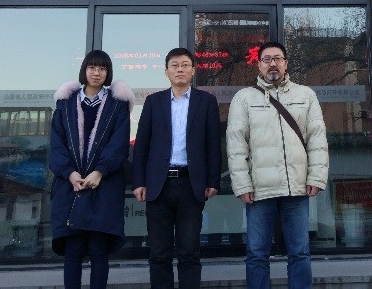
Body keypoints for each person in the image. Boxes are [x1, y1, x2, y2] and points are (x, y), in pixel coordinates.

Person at [226, 41, 329, 289]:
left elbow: (317, 139)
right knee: (257, 254)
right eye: (267, 59)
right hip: (260, 190)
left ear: (286, 63)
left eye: (278, 59)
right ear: (259, 65)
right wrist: (242, 185)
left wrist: (316, 177)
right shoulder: (244, 98)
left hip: (296, 187)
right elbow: (236, 144)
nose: (272, 63)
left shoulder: (305, 95)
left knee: (300, 253)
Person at [131, 47, 222, 289]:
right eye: (175, 65)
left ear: (193, 70)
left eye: (184, 65)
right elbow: (142, 144)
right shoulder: (153, 102)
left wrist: (213, 180)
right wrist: (139, 181)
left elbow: (213, 144)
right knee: (159, 253)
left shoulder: (207, 102)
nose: (180, 69)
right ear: (166, 71)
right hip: (158, 185)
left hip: (191, 184)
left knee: (189, 252)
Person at [48, 50, 134, 289]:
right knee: (73, 250)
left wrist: (100, 171)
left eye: (102, 69)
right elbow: (56, 145)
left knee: (99, 250)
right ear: (84, 70)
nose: (97, 73)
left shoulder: (117, 105)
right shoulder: (65, 103)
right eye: (92, 67)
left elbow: (119, 145)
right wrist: (70, 173)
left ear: (108, 73)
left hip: (104, 186)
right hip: (71, 187)